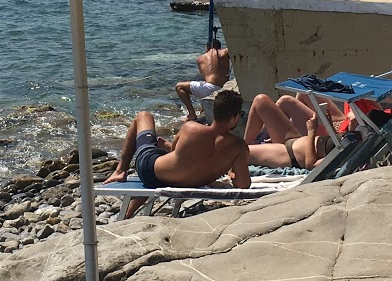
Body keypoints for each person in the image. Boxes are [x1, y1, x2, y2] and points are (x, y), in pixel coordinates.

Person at [104, 90, 250, 215]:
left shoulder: (191, 128)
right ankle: (129, 212)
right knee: (168, 160)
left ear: (214, 111)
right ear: (236, 117)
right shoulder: (239, 147)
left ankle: (120, 170)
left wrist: (169, 147)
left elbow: (175, 153)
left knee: (143, 116)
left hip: (150, 171)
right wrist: (232, 174)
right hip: (183, 180)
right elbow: (243, 184)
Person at [242, 92, 343, 170]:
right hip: (294, 139)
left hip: (288, 153)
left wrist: (311, 131)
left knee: (240, 152)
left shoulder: (351, 152)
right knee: (260, 100)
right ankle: (247, 142)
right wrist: (329, 125)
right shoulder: (354, 139)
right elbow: (334, 144)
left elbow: (311, 164)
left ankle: (245, 146)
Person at [174, 37, 231, 120]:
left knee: (178, 86)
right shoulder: (223, 53)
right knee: (206, 86)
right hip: (222, 88)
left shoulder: (200, 58)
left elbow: (205, 78)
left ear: (207, 48)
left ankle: (192, 114)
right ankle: (203, 108)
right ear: (220, 47)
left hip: (209, 89)